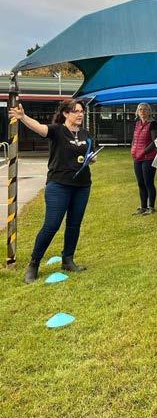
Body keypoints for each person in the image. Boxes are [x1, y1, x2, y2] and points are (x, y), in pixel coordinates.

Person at [9, 100, 95, 283]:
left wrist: (91, 158)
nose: (80, 114)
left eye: (82, 111)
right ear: (66, 114)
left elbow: (89, 152)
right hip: (59, 185)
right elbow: (39, 128)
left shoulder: (85, 134)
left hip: (82, 185)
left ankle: (68, 260)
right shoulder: (57, 130)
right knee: (52, 224)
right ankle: (34, 263)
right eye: (76, 111)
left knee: (74, 224)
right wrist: (23, 117)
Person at [131, 103, 157, 215]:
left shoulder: (153, 124)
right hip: (137, 157)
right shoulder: (137, 123)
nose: (142, 111)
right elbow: (135, 139)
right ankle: (143, 206)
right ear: (137, 112)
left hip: (148, 157)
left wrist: (143, 152)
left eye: (145, 109)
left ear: (149, 111)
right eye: (140, 109)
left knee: (148, 182)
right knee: (140, 182)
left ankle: (151, 207)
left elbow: (155, 141)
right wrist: (133, 149)